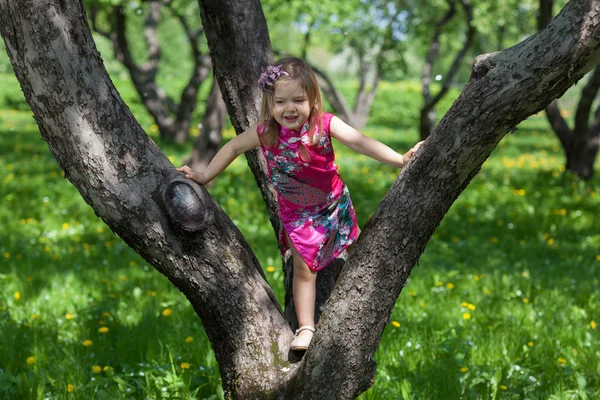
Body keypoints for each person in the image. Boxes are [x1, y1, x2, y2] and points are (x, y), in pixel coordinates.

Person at [177, 57, 422, 351]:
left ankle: (373, 285)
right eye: (281, 101)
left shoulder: (324, 124)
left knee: (354, 247)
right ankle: (306, 327)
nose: (289, 108)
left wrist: (398, 159)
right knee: (304, 267)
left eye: (298, 100)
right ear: (271, 103)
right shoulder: (267, 132)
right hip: (298, 215)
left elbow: (359, 141)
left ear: (313, 100)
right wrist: (204, 175)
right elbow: (233, 147)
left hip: (334, 203)